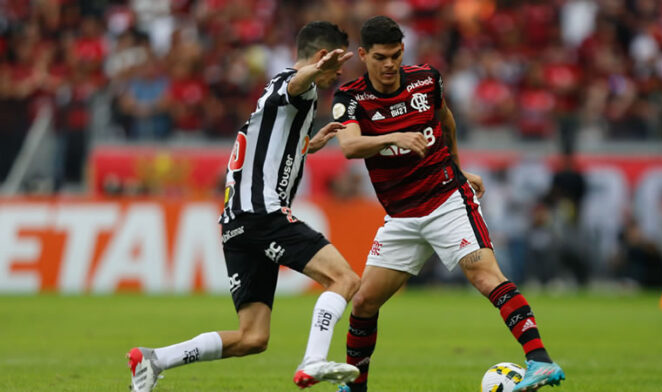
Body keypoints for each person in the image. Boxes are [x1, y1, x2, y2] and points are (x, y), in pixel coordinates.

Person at [331, 16, 565, 392]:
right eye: (379, 57)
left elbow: (447, 120)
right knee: (362, 303)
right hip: (402, 216)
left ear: (403, 51)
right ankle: (356, 387)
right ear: (363, 55)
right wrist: (398, 137)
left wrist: (457, 167)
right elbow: (348, 146)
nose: (389, 64)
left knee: (485, 275)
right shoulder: (351, 97)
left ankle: (540, 361)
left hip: (446, 200)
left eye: (394, 55)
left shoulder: (427, 79)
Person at [127, 21, 361, 392]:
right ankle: (313, 360)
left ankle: (155, 359)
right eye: (335, 66)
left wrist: (306, 144)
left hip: (237, 225)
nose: (337, 75)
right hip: (261, 214)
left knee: (252, 337)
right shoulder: (293, 82)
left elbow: (267, 142)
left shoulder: (278, 98)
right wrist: (313, 72)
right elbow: (298, 83)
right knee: (345, 279)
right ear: (321, 57)